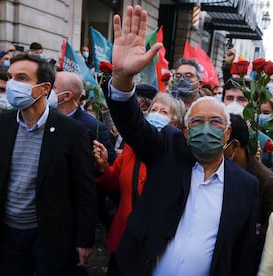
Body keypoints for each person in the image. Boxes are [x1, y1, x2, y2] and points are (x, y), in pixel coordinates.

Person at [106, 5, 259, 275]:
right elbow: (131, 123)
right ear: (185, 131)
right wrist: (123, 76)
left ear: (226, 134)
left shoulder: (246, 186)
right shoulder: (167, 149)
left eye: (215, 123)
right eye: (197, 122)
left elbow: (242, 253)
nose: (206, 128)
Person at [0, 53, 96, 274]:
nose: (11, 84)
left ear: (44, 88)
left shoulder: (72, 131)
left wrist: (84, 239)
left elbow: (84, 190)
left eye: (21, 78)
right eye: (9, 77)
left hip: (49, 235)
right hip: (7, 234)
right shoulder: (3, 124)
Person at [93, 92, 185, 275]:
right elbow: (113, 184)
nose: (156, 114)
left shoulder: (179, 156)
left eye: (164, 112)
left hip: (153, 247)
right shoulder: (131, 147)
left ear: (175, 123)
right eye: (154, 109)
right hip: (123, 238)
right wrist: (103, 167)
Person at [224, 114, 273, 272]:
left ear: (234, 146)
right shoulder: (214, 171)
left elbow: (272, 239)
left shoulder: (269, 184)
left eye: (216, 142)